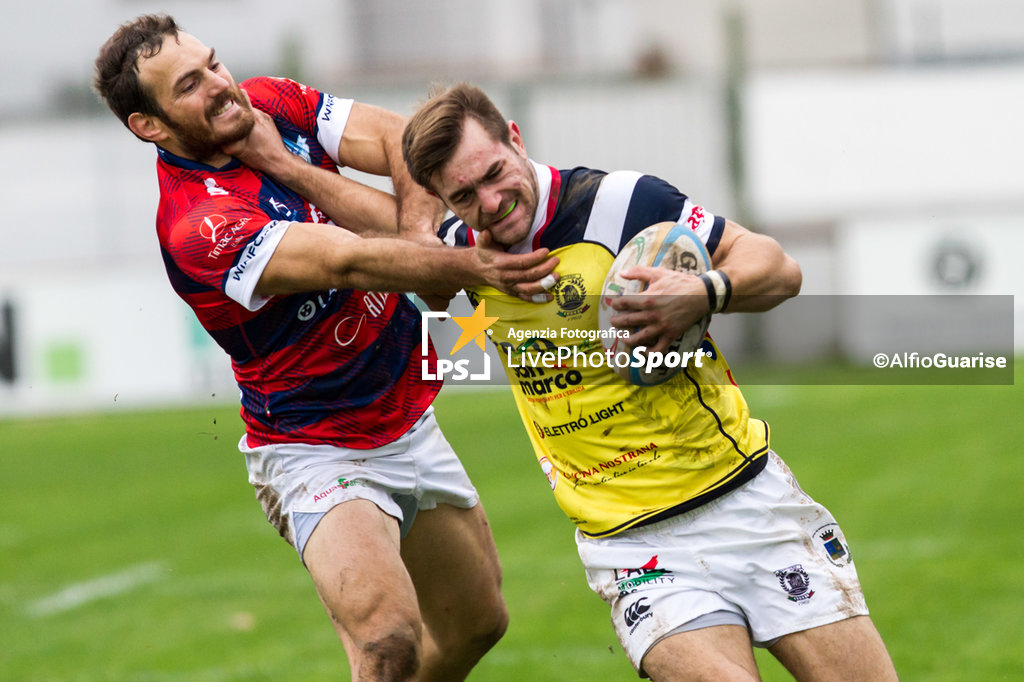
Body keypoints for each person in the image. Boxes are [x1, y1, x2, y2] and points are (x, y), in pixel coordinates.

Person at [93, 17, 559, 682]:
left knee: (478, 624)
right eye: (191, 86)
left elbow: (406, 143)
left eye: (215, 65)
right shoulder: (199, 224)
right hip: (314, 445)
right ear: (151, 126)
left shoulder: (273, 102)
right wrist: (464, 268)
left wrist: (419, 236)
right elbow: (351, 262)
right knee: (387, 638)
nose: (222, 88)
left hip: (406, 415)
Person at [401, 83, 899, 681]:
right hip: (631, 547)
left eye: (495, 173)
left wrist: (703, 291)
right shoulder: (461, 254)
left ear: (515, 137)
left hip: (745, 502)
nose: (492, 202)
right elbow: (365, 238)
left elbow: (779, 268)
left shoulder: (620, 202)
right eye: (464, 195)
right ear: (440, 200)